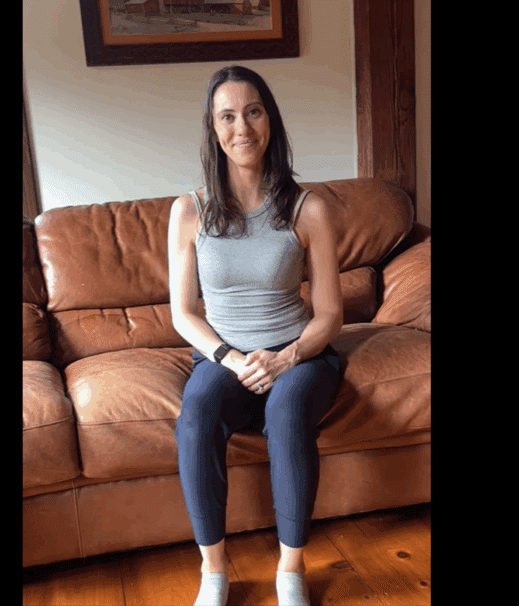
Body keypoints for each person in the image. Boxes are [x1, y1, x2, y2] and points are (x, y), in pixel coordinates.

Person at [168, 65, 344, 606]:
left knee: (287, 411)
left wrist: (285, 358)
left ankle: (290, 570)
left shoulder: (307, 207)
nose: (241, 127)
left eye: (253, 111)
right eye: (227, 116)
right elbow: (182, 313)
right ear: (213, 129)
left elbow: (330, 315)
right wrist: (229, 357)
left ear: (270, 120)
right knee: (196, 413)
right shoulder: (189, 211)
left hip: (301, 358)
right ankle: (214, 572)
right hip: (224, 362)